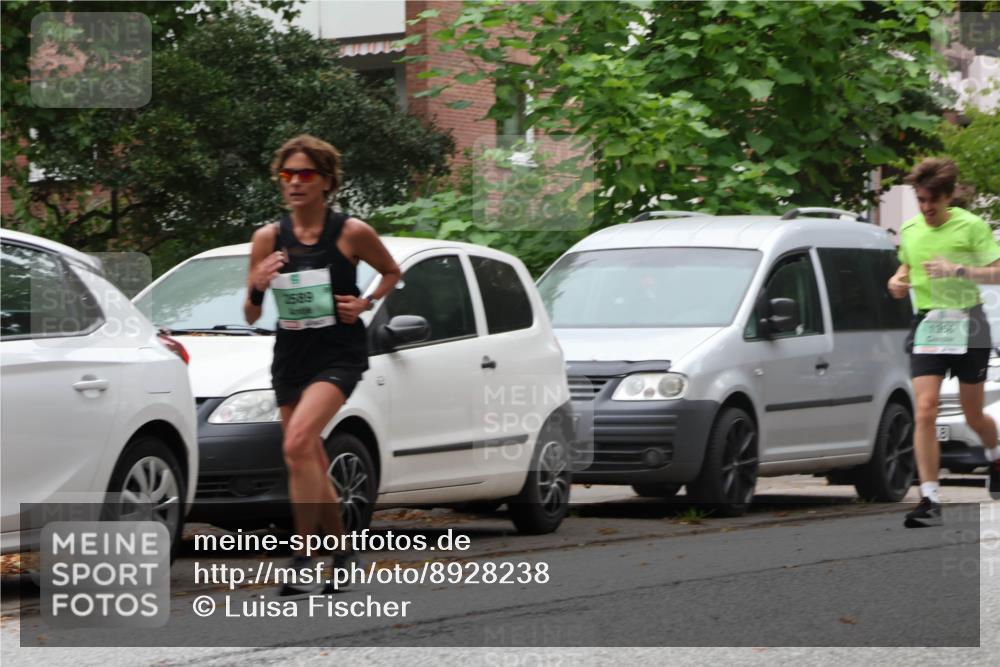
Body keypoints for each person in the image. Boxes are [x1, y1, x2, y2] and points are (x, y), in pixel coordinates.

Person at [245, 135, 401, 593]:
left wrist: (366, 302)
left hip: (339, 353)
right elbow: (251, 313)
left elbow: (392, 271)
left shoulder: (351, 232)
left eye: (305, 175)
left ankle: (304, 556)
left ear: (326, 181)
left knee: (296, 443)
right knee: (306, 454)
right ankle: (344, 554)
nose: (294, 183)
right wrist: (256, 286)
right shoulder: (268, 238)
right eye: (287, 175)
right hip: (292, 353)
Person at [887, 158, 1000, 528]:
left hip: (969, 322)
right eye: (920, 200)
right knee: (925, 408)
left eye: (933, 201)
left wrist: (959, 271)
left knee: (972, 415)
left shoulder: (972, 227)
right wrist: (897, 283)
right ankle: (930, 498)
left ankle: (995, 455)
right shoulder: (911, 229)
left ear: (949, 197)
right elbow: (905, 268)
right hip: (930, 324)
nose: (925, 208)